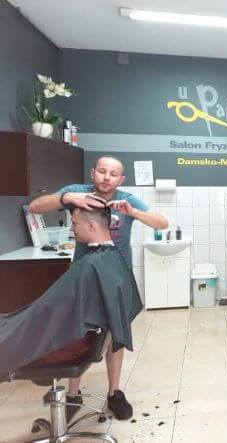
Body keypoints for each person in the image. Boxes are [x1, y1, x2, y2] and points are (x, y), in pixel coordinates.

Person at [28, 155, 168, 421]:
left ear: (121, 179)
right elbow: (35, 207)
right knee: (77, 332)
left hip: (117, 280)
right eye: (102, 171)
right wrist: (67, 199)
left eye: (113, 174)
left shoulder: (127, 199)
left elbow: (162, 222)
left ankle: (114, 393)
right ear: (93, 173)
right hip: (86, 278)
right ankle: (73, 393)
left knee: (115, 336)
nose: (107, 177)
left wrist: (133, 212)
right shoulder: (76, 192)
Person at [0, 207, 142, 381]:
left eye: (74, 223)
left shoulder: (89, 266)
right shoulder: (113, 258)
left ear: (91, 225)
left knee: (9, 335)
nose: (72, 229)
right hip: (80, 340)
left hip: (63, 345)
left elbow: (49, 313)